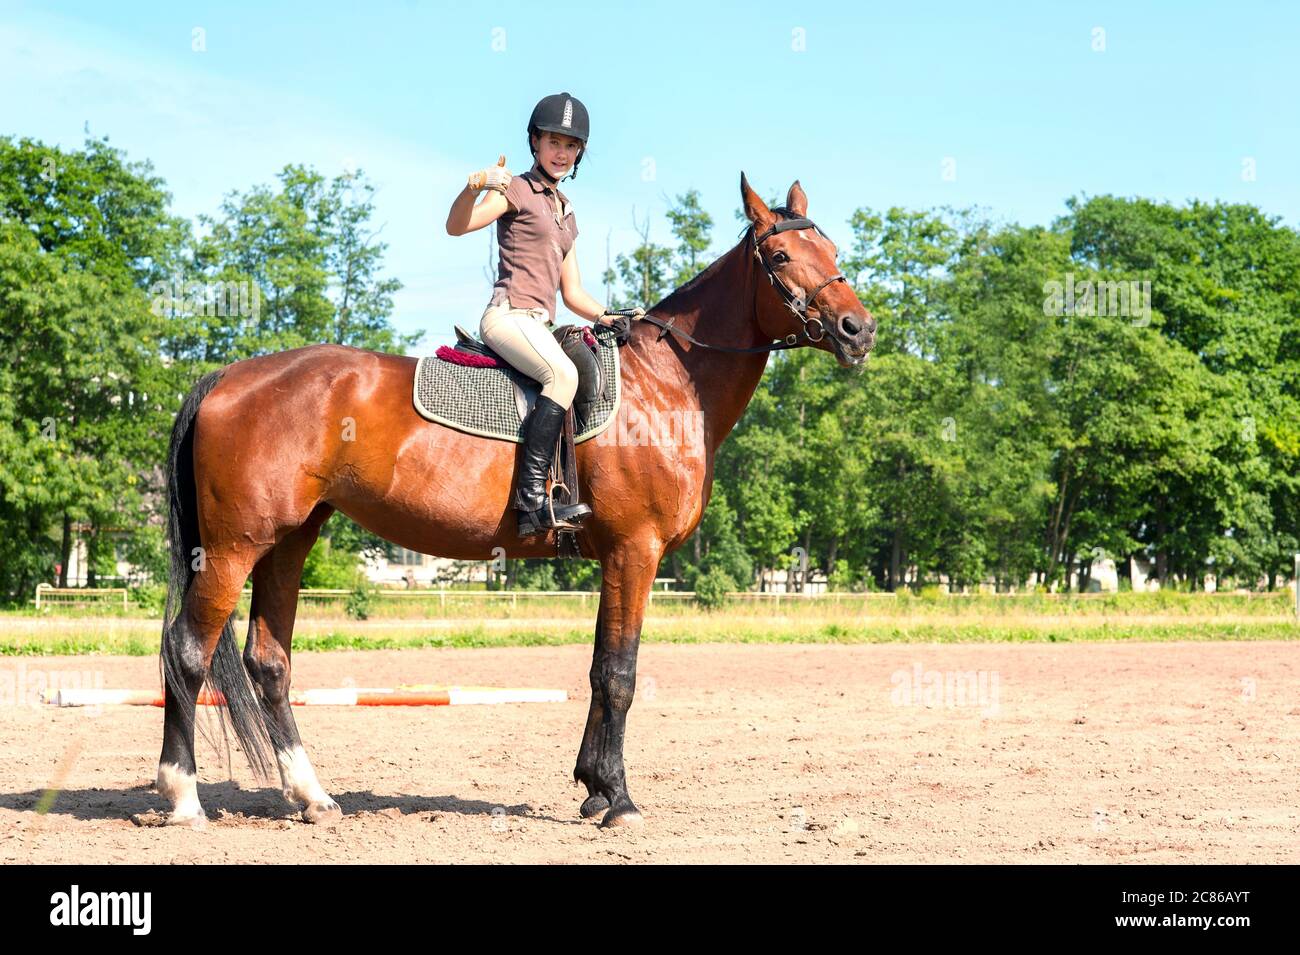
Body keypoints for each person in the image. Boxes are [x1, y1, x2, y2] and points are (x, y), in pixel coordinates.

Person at [446, 92, 642, 537]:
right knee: (563, 377)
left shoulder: (567, 215)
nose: (561, 152)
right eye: (553, 141)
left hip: (540, 325)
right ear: (535, 142)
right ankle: (532, 501)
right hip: (508, 315)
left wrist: (610, 315)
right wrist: (474, 185)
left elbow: (573, 293)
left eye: (571, 146)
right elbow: (457, 226)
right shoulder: (516, 189)